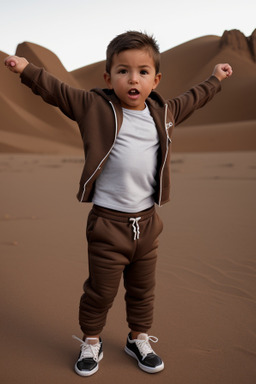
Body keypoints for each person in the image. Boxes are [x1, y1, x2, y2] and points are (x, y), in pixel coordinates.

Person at [4, 31, 232, 377]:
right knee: (100, 291)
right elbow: (57, 90)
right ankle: (91, 341)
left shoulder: (165, 112)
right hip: (108, 224)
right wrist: (26, 69)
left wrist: (216, 79)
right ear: (109, 78)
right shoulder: (94, 107)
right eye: (123, 71)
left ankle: (138, 338)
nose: (133, 78)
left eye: (142, 71)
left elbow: (194, 98)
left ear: (155, 80)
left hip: (148, 223)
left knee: (143, 290)